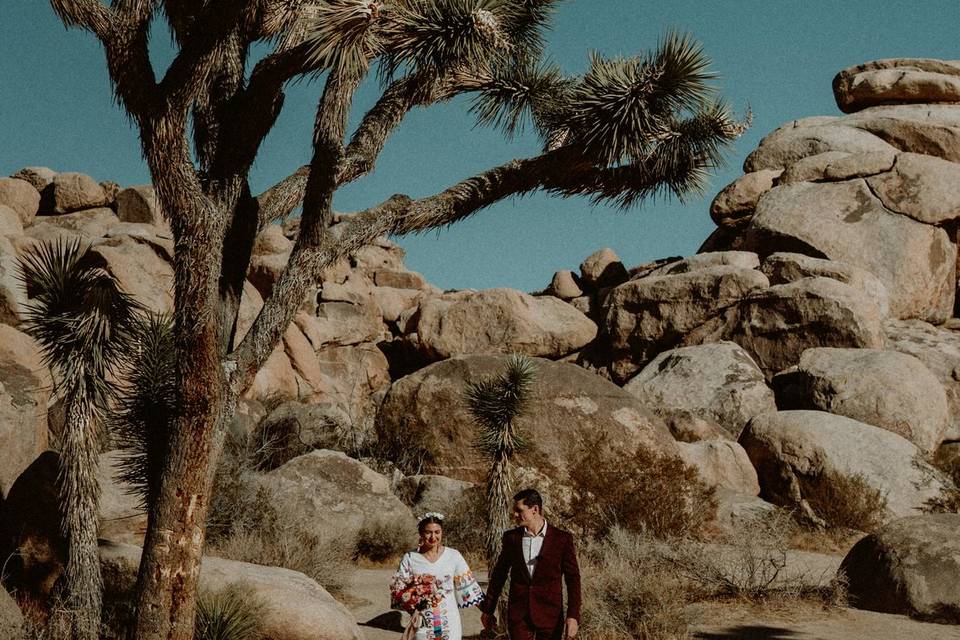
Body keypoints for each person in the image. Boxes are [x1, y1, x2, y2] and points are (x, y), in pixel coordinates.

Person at [481, 489, 581, 640]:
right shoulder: (512, 538)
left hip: (550, 616)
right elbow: (499, 575)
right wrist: (488, 609)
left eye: (519, 510)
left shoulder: (561, 539)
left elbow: (573, 579)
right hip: (519, 616)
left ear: (534, 509)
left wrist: (573, 616)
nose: (515, 514)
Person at [390, 512, 485, 640]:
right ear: (421, 533)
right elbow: (398, 590)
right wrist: (414, 603)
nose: (433, 537)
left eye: (437, 532)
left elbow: (469, 587)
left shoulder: (453, 556)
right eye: (428, 532)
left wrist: (486, 611)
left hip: (449, 622)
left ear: (442, 532)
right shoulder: (410, 558)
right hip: (423, 622)